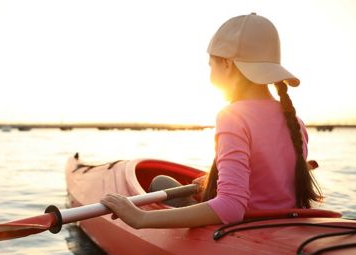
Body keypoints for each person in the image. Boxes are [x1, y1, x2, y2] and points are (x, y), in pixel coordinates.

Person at [101, 13, 322, 229]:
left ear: (227, 64)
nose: (209, 72)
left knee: (160, 183)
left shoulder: (233, 115)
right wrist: (210, 181)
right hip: (284, 223)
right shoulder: (296, 121)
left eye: (211, 64)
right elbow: (269, 181)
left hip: (247, 227)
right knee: (168, 183)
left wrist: (140, 218)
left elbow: (230, 208)